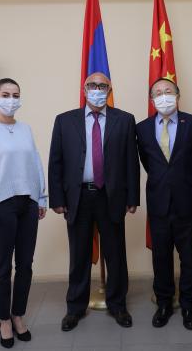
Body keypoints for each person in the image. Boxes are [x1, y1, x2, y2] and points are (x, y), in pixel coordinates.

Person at [48, 72, 139, 331]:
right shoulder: (64, 121)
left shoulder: (125, 120)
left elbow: (131, 162)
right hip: (78, 196)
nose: (97, 89)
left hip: (112, 196)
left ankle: (117, 305)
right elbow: (56, 162)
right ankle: (75, 308)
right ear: (84, 89)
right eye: (92, 85)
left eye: (102, 86)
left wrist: (132, 197)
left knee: (115, 254)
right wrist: (57, 198)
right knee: (79, 255)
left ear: (110, 91)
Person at [0, 78, 48, 348]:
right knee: (2, 266)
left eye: (16, 95)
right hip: (1, 205)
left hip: (28, 203)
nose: (11, 99)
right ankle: (4, 319)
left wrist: (41, 197)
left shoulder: (25, 129)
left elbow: (35, 163)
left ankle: (18, 315)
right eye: (5, 94)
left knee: (25, 264)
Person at [136, 77, 192, 330]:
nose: (163, 95)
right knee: (161, 257)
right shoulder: (142, 128)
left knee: (189, 257)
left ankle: (188, 305)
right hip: (158, 203)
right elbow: (148, 163)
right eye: (158, 92)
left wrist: (183, 183)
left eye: (168, 91)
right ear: (151, 99)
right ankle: (164, 303)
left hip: (188, 201)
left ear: (177, 96)